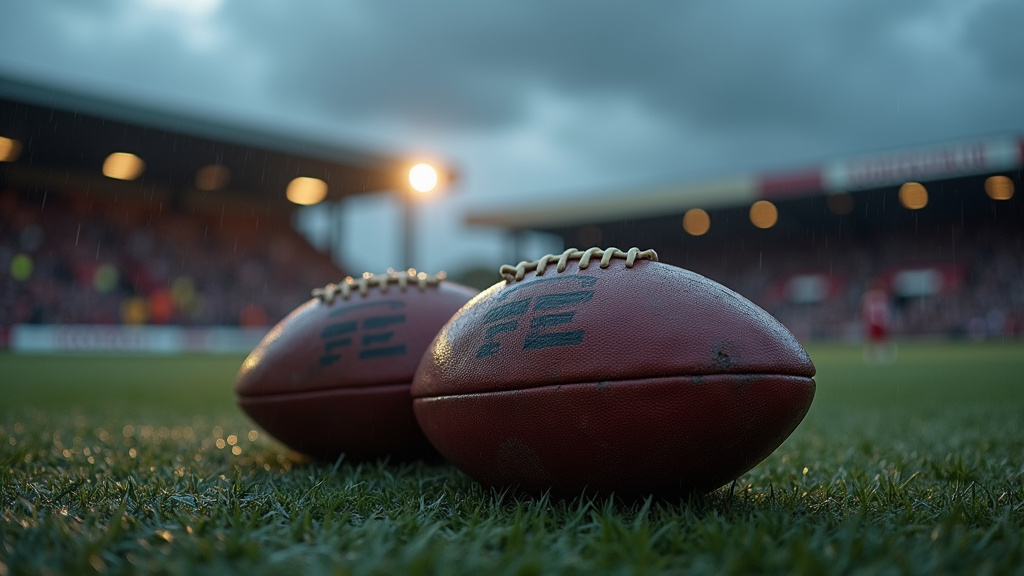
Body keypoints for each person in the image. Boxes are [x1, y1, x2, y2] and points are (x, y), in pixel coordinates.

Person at [861, 280, 896, 364]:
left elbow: (866, 310)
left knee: (879, 340)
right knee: (876, 340)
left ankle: (876, 356)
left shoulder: (872, 297)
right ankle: (875, 356)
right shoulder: (875, 297)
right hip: (876, 321)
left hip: (877, 321)